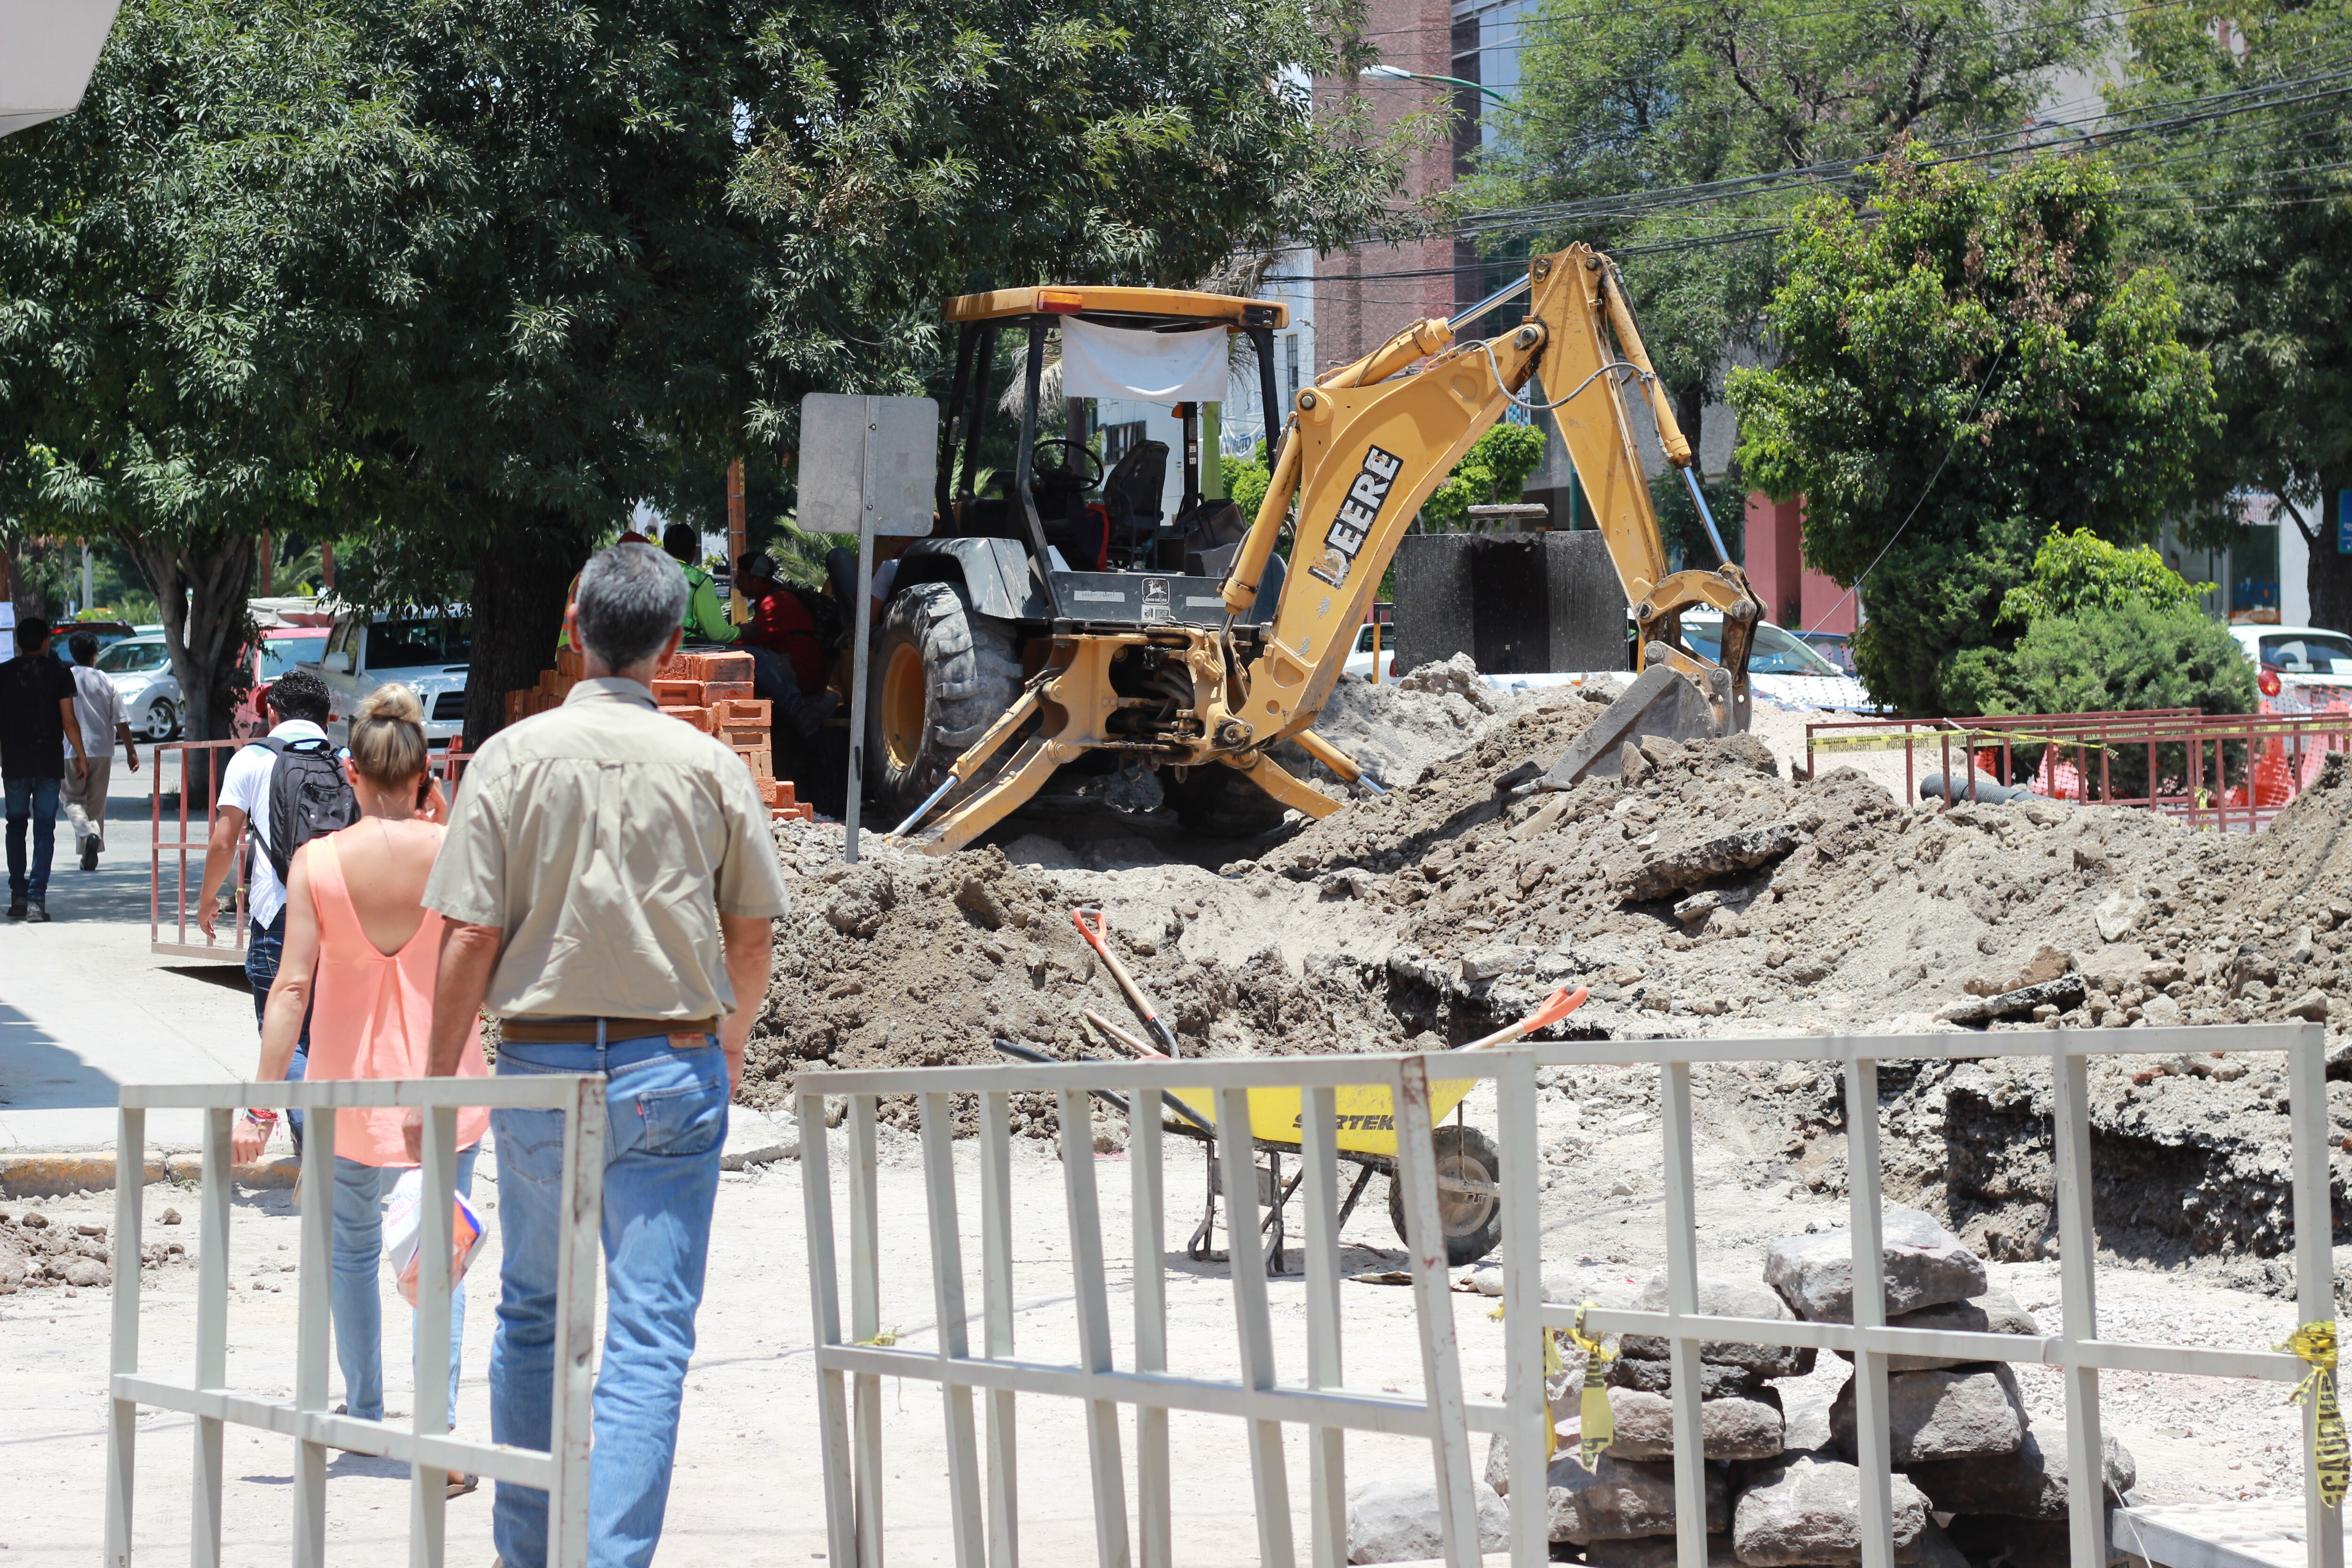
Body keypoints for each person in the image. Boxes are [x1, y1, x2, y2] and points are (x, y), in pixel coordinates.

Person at [418, 541, 788, 1568]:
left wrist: (436, 1079)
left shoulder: (507, 758)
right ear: (674, 645)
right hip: (672, 1066)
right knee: (648, 1337)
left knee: (532, 1312)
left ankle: (526, 1553)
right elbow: (750, 937)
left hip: (538, 1068)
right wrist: (730, 1040)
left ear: (573, 621)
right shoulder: (712, 767)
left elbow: (467, 937)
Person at [230, 684, 487, 1495]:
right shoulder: (453, 851)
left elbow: (290, 992)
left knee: (350, 1248)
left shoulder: (317, 862)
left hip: (345, 1091)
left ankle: (367, 1409)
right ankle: (437, 1431)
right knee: (437, 1255)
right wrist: (438, 809)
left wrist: (263, 1104)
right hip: (447, 1087)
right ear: (423, 772)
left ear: (350, 769)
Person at [199, 666, 356, 1146]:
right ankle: (332, 1144)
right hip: (341, 914)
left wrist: (208, 900)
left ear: (271, 712)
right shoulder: (347, 759)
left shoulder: (252, 760)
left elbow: (225, 840)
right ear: (327, 716)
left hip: (277, 913)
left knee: (283, 1031)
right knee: (329, 1031)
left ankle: (317, 1146)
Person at [0, 614, 90, 922]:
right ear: (47, 642)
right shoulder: (59, 673)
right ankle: (37, 899)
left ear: (18, 643)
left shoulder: (4, 674)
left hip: (13, 763)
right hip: (49, 763)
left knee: (15, 826)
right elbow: (69, 720)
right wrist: (81, 755)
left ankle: (18, 896)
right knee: (44, 829)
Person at [62, 629, 139, 872]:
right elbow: (121, 720)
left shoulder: (64, 678)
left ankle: (89, 833)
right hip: (102, 749)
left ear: (73, 654)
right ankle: (88, 855)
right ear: (95, 655)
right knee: (95, 806)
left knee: (72, 800)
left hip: (71, 749)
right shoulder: (106, 680)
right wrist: (131, 751)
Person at [661, 523, 736, 644]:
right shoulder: (699, 581)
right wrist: (741, 631)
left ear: (665, 551)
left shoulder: (647, 576)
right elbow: (718, 634)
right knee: (760, 657)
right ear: (694, 551)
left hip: (648, 654)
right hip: (686, 652)